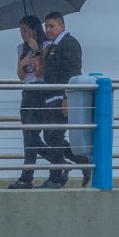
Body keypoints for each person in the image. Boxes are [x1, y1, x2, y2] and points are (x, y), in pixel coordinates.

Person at [39, 11, 87, 189]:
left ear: (62, 26)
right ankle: (83, 162)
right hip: (52, 97)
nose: (48, 30)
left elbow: (73, 73)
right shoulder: (52, 47)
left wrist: (67, 99)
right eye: (46, 26)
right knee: (51, 137)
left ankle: (55, 178)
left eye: (51, 26)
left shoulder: (69, 44)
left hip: (61, 98)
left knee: (55, 137)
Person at [7, 15, 50, 189]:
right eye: (21, 31)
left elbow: (43, 73)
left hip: (41, 92)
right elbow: (21, 76)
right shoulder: (21, 48)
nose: (23, 34)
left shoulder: (46, 46)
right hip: (28, 91)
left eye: (26, 30)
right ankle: (29, 176)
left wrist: (38, 53)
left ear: (34, 29)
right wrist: (22, 63)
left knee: (33, 136)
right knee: (28, 136)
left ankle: (59, 161)